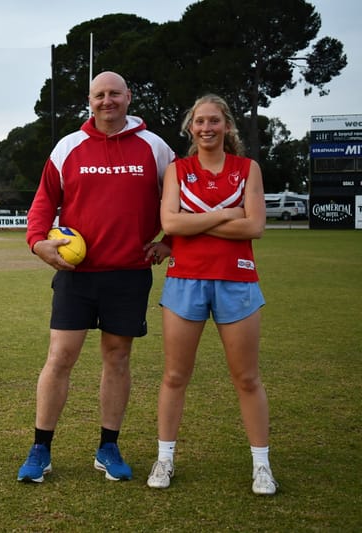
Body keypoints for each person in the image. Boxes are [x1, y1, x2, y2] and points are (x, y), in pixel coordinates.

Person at [17, 71, 175, 483]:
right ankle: (41, 448)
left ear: (129, 96)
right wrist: (37, 242)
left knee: (117, 358)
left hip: (128, 273)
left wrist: (169, 241)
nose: (107, 101)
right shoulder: (68, 146)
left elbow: (181, 198)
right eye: (99, 95)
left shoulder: (155, 147)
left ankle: (108, 447)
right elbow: (43, 200)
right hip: (76, 274)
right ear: (90, 100)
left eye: (115, 94)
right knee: (60, 357)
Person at [146, 94, 277, 495]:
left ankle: (261, 465)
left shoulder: (247, 169)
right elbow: (169, 221)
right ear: (190, 128)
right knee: (174, 376)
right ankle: (165, 458)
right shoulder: (178, 170)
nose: (206, 128)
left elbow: (254, 228)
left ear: (227, 126)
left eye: (214, 121)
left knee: (247, 378)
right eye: (199, 121)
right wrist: (225, 215)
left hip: (237, 281)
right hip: (185, 280)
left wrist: (193, 224)